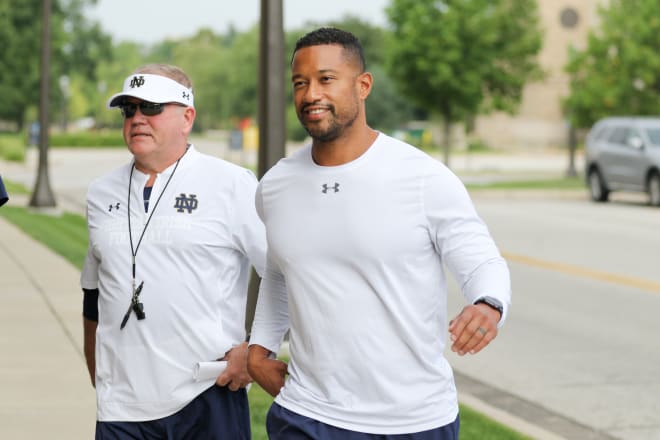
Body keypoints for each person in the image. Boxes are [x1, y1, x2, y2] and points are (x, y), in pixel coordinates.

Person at [247, 27, 511, 439]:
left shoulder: (422, 177)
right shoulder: (275, 186)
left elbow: (481, 259)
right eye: (301, 83)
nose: (311, 93)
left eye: (326, 79)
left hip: (413, 421)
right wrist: (259, 350)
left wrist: (489, 304)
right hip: (306, 414)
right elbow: (279, 271)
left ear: (363, 85)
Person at [80, 63, 266, 439]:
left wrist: (257, 351)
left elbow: (286, 274)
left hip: (208, 394)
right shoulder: (101, 193)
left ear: (187, 117)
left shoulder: (232, 185)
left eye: (150, 107)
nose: (136, 118)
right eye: (128, 109)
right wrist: (100, 374)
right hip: (122, 407)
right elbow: (93, 294)